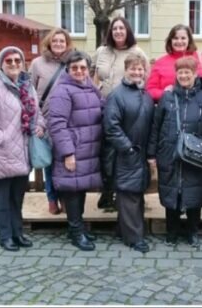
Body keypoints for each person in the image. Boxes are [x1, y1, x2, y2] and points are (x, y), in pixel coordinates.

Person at [145, 24, 202, 218]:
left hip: (196, 116)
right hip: (171, 117)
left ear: (189, 40)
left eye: (183, 38)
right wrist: (164, 91)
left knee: (196, 171)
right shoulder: (161, 62)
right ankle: (174, 218)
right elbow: (150, 90)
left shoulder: (201, 58)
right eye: (175, 38)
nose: (179, 41)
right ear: (170, 41)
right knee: (173, 174)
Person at [148, 56, 202, 247]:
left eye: (188, 72)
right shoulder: (167, 97)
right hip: (169, 151)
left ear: (195, 73)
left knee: (194, 192)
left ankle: (192, 232)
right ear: (176, 74)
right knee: (172, 191)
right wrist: (152, 154)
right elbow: (156, 125)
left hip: (195, 154)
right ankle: (172, 231)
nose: (184, 76)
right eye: (180, 72)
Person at [0, 46, 38, 251]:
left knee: (17, 197)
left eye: (17, 60)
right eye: (9, 61)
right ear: (1, 63)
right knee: (2, 198)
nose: (13, 64)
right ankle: (5, 236)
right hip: (1, 151)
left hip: (22, 151)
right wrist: (0, 138)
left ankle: (18, 233)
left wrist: (40, 127)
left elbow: (36, 111)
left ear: (22, 63)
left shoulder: (26, 86)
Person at [48, 51, 105, 251]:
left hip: (88, 149)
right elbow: (56, 124)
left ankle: (78, 227)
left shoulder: (91, 88)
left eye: (83, 68)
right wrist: (67, 153)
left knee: (80, 190)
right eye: (75, 68)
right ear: (68, 70)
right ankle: (75, 231)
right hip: (73, 150)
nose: (79, 71)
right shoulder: (62, 91)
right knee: (72, 191)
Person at [94, 17, 149, 211]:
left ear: (128, 31)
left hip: (128, 110)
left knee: (126, 151)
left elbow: (145, 79)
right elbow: (94, 75)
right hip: (104, 107)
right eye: (115, 28)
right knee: (107, 152)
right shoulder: (101, 51)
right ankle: (107, 191)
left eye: (122, 28)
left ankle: (127, 192)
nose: (118, 31)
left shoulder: (137, 52)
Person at [102, 51, 154, 253]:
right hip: (125, 153)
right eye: (133, 68)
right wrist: (128, 147)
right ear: (126, 70)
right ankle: (134, 237)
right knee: (128, 194)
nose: (137, 72)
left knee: (136, 193)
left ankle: (124, 229)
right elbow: (111, 127)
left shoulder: (145, 94)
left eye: (140, 69)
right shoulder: (117, 95)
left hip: (140, 154)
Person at [28, 27, 71, 215]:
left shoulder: (72, 63)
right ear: (49, 43)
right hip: (44, 120)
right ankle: (52, 197)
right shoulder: (37, 63)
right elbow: (29, 93)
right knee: (49, 161)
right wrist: (35, 120)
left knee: (65, 160)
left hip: (66, 120)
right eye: (55, 41)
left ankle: (65, 197)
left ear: (67, 44)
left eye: (62, 41)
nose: (59, 44)